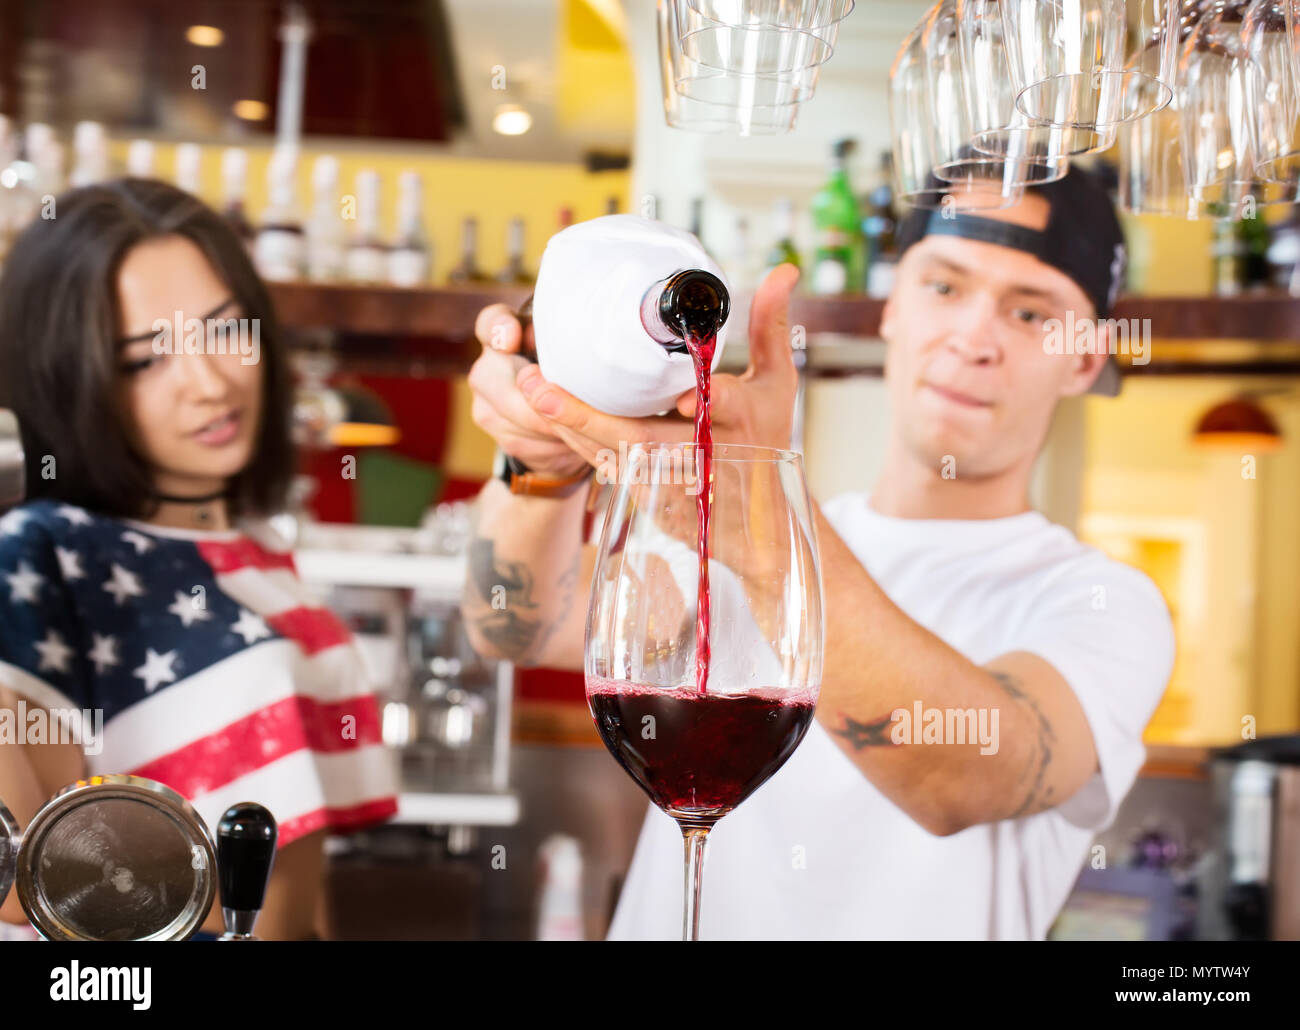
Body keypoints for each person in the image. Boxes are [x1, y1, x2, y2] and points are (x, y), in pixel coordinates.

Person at [461, 166, 1175, 940]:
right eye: (943, 287)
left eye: (1030, 311)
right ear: (893, 306)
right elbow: (518, 629)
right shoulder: (713, 534)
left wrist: (762, 526)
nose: (974, 339)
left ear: (1086, 358)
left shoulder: (1105, 605)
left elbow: (963, 781)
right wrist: (537, 459)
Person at [0, 179, 398, 939]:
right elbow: (9, 873)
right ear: (69, 378)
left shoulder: (256, 546)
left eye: (224, 332)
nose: (210, 383)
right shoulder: (39, 552)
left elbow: (300, 875)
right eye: (146, 361)